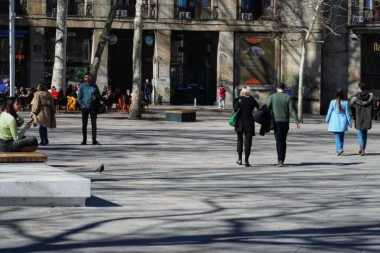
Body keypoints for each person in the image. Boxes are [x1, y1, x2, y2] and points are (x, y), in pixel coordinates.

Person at [267, 83, 300, 167]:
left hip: (276, 121)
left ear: (277, 88)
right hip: (285, 121)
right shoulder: (288, 97)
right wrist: (297, 122)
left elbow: (267, 108)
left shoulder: (272, 97)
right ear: (284, 89)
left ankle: (280, 160)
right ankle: (282, 158)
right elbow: (292, 111)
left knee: (278, 141)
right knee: (283, 140)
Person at [234, 87, 260, 167]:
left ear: (242, 92)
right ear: (249, 92)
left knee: (239, 140)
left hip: (240, 122)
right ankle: (246, 160)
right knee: (248, 142)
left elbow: (235, 109)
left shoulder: (239, 99)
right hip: (249, 122)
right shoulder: (252, 99)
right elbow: (259, 107)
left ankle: (239, 159)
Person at [326, 88, 352, 156]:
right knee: (341, 135)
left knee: (337, 135)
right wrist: (350, 122)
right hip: (343, 120)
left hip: (335, 120)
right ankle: (338, 150)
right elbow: (347, 113)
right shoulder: (345, 102)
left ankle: (340, 149)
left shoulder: (332, 102)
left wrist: (327, 119)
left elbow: (329, 111)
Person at [350, 82, 373, 156]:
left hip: (358, 117)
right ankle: (363, 148)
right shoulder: (370, 97)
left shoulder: (355, 98)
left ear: (359, 88)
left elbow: (352, 107)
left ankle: (362, 148)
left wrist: (353, 115)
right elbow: (372, 108)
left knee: (359, 133)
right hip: (367, 117)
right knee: (365, 133)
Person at [78, 73, 101, 145]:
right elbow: (79, 97)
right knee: (84, 124)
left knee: (94, 124)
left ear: (90, 78)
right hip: (85, 107)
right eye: (86, 77)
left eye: (88, 77)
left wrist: (95, 97)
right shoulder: (82, 86)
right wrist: (82, 105)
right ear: (84, 78)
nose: (87, 78)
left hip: (93, 107)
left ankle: (94, 140)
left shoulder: (95, 86)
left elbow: (99, 95)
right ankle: (84, 140)